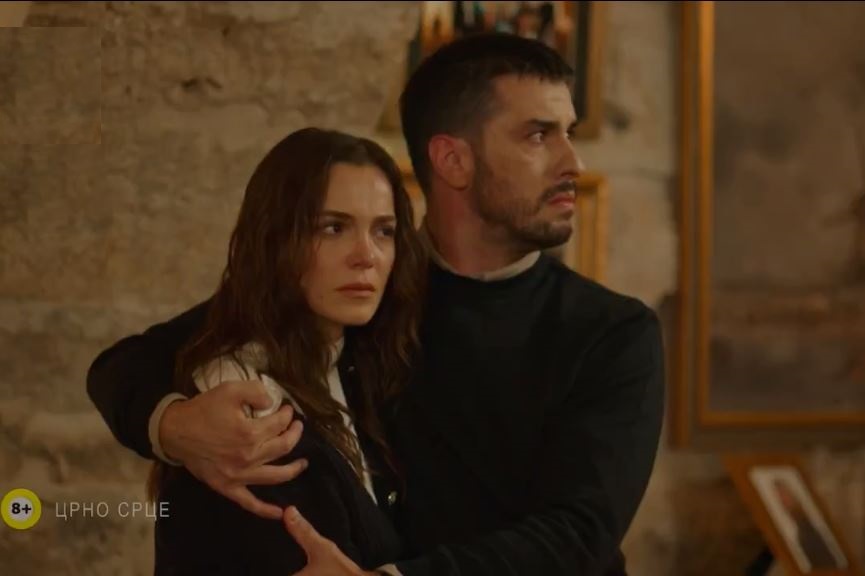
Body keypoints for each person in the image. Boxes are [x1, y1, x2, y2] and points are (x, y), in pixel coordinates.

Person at [87, 33, 665, 576]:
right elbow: (131, 363)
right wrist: (175, 426)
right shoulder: (365, 288)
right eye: (539, 135)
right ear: (452, 160)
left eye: (569, 132)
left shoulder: (614, 331)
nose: (573, 163)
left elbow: (579, 532)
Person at [130, 127, 427, 574]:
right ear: (276, 238)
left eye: (384, 231)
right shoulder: (245, 400)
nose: (366, 255)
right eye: (333, 227)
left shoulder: (360, 363)